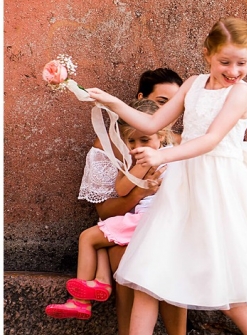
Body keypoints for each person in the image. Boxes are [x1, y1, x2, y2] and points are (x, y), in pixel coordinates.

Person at [86, 17, 247, 335]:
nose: (234, 72)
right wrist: (111, 102)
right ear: (207, 55)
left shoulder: (241, 94)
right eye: (226, 63)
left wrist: (162, 154)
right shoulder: (193, 85)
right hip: (184, 190)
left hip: (218, 191)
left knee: (229, 290)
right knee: (147, 274)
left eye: (242, 64)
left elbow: (210, 139)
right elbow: (153, 121)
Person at [76, 68, 198, 335]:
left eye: (174, 106)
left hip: (170, 226)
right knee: (131, 259)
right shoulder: (107, 146)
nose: (165, 114)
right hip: (127, 224)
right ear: (139, 101)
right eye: (160, 103)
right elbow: (104, 209)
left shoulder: (178, 145)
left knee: (168, 259)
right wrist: (140, 191)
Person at [46, 99, 172, 320]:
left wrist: (139, 168)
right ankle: (101, 283)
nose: (137, 146)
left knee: (88, 237)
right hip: (143, 221)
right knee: (104, 233)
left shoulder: (164, 157)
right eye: (131, 141)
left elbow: (123, 190)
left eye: (145, 139)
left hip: (148, 221)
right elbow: (121, 189)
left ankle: (80, 302)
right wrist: (135, 169)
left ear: (161, 135)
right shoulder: (141, 158)